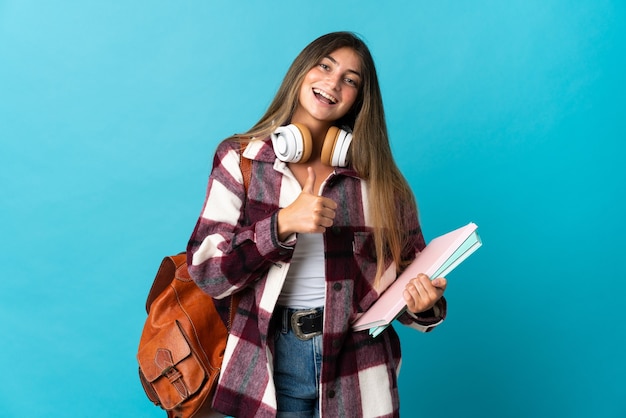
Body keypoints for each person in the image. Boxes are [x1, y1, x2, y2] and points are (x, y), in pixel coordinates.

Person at [187, 31, 447, 418]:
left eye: (350, 80)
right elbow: (208, 273)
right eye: (325, 65)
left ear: (359, 99)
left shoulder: (382, 186)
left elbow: (410, 282)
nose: (333, 83)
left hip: (357, 363)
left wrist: (424, 306)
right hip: (271, 362)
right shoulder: (241, 160)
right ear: (301, 71)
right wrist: (282, 224)